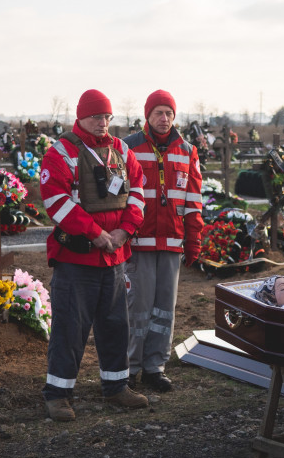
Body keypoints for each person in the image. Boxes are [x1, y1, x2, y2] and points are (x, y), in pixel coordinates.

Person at [40, 90, 148, 420]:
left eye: (106, 117)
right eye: (95, 117)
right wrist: (95, 233)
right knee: (70, 328)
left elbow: (138, 192)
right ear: (81, 117)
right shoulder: (61, 153)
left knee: (116, 325)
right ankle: (58, 394)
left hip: (114, 258)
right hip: (77, 259)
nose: (102, 123)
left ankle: (116, 388)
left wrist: (124, 231)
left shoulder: (121, 150)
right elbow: (56, 201)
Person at [123, 90, 203, 393]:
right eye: (158, 112)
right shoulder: (128, 147)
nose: (164, 118)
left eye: (169, 112)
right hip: (139, 242)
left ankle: (155, 367)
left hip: (171, 242)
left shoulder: (187, 150)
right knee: (137, 308)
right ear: (147, 115)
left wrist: (193, 239)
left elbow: (193, 200)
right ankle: (129, 368)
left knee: (164, 310)